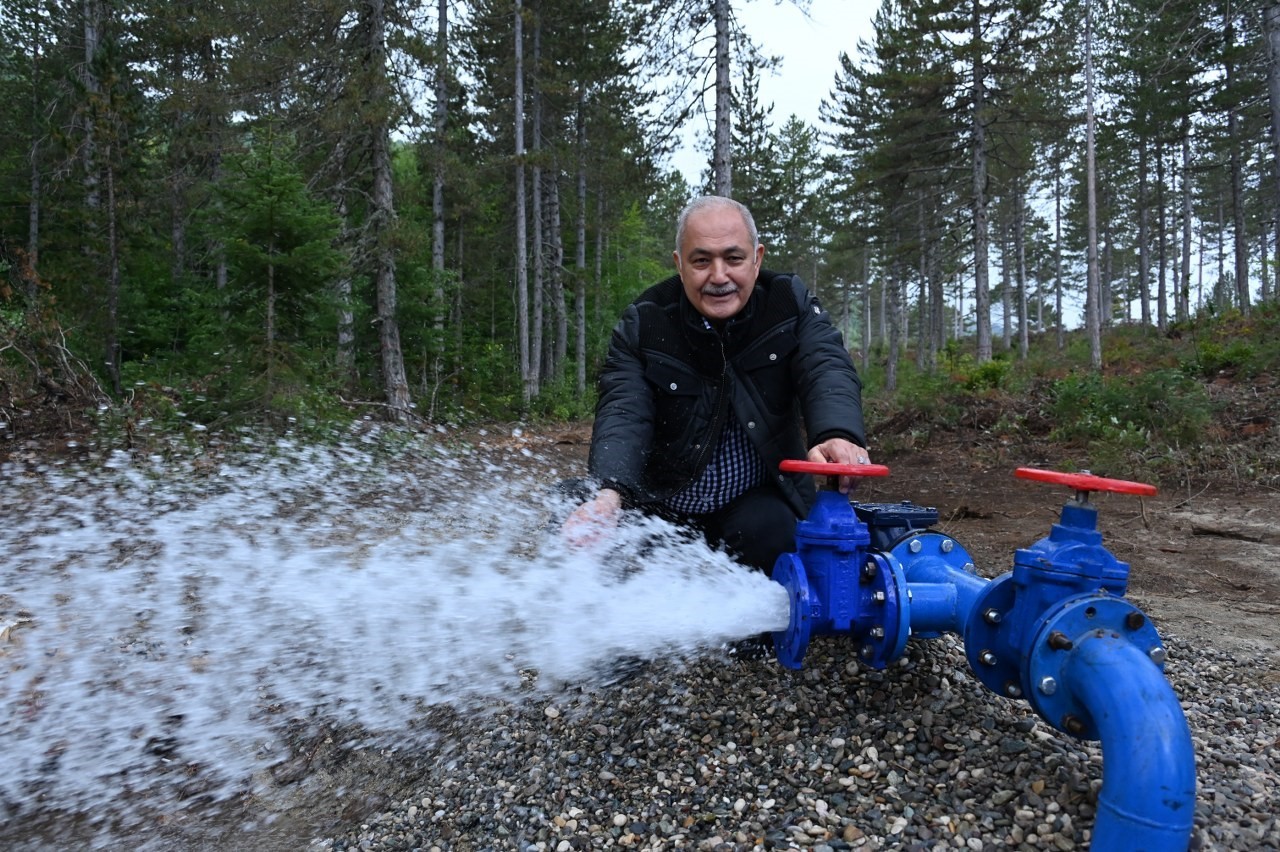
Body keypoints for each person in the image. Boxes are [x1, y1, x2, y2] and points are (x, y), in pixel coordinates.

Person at [563, 195, 871, 574]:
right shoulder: (644, 322)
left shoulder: (789, 302)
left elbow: (826, 365)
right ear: (680, 264)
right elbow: (624, 410)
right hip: (663, 501)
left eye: (734, 258)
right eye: (702, 260)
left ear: (757, 259)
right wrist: (610, 493)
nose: (719, 276)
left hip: (756, 500)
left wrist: (837, 433)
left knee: (775, 535)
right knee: (572, 516)